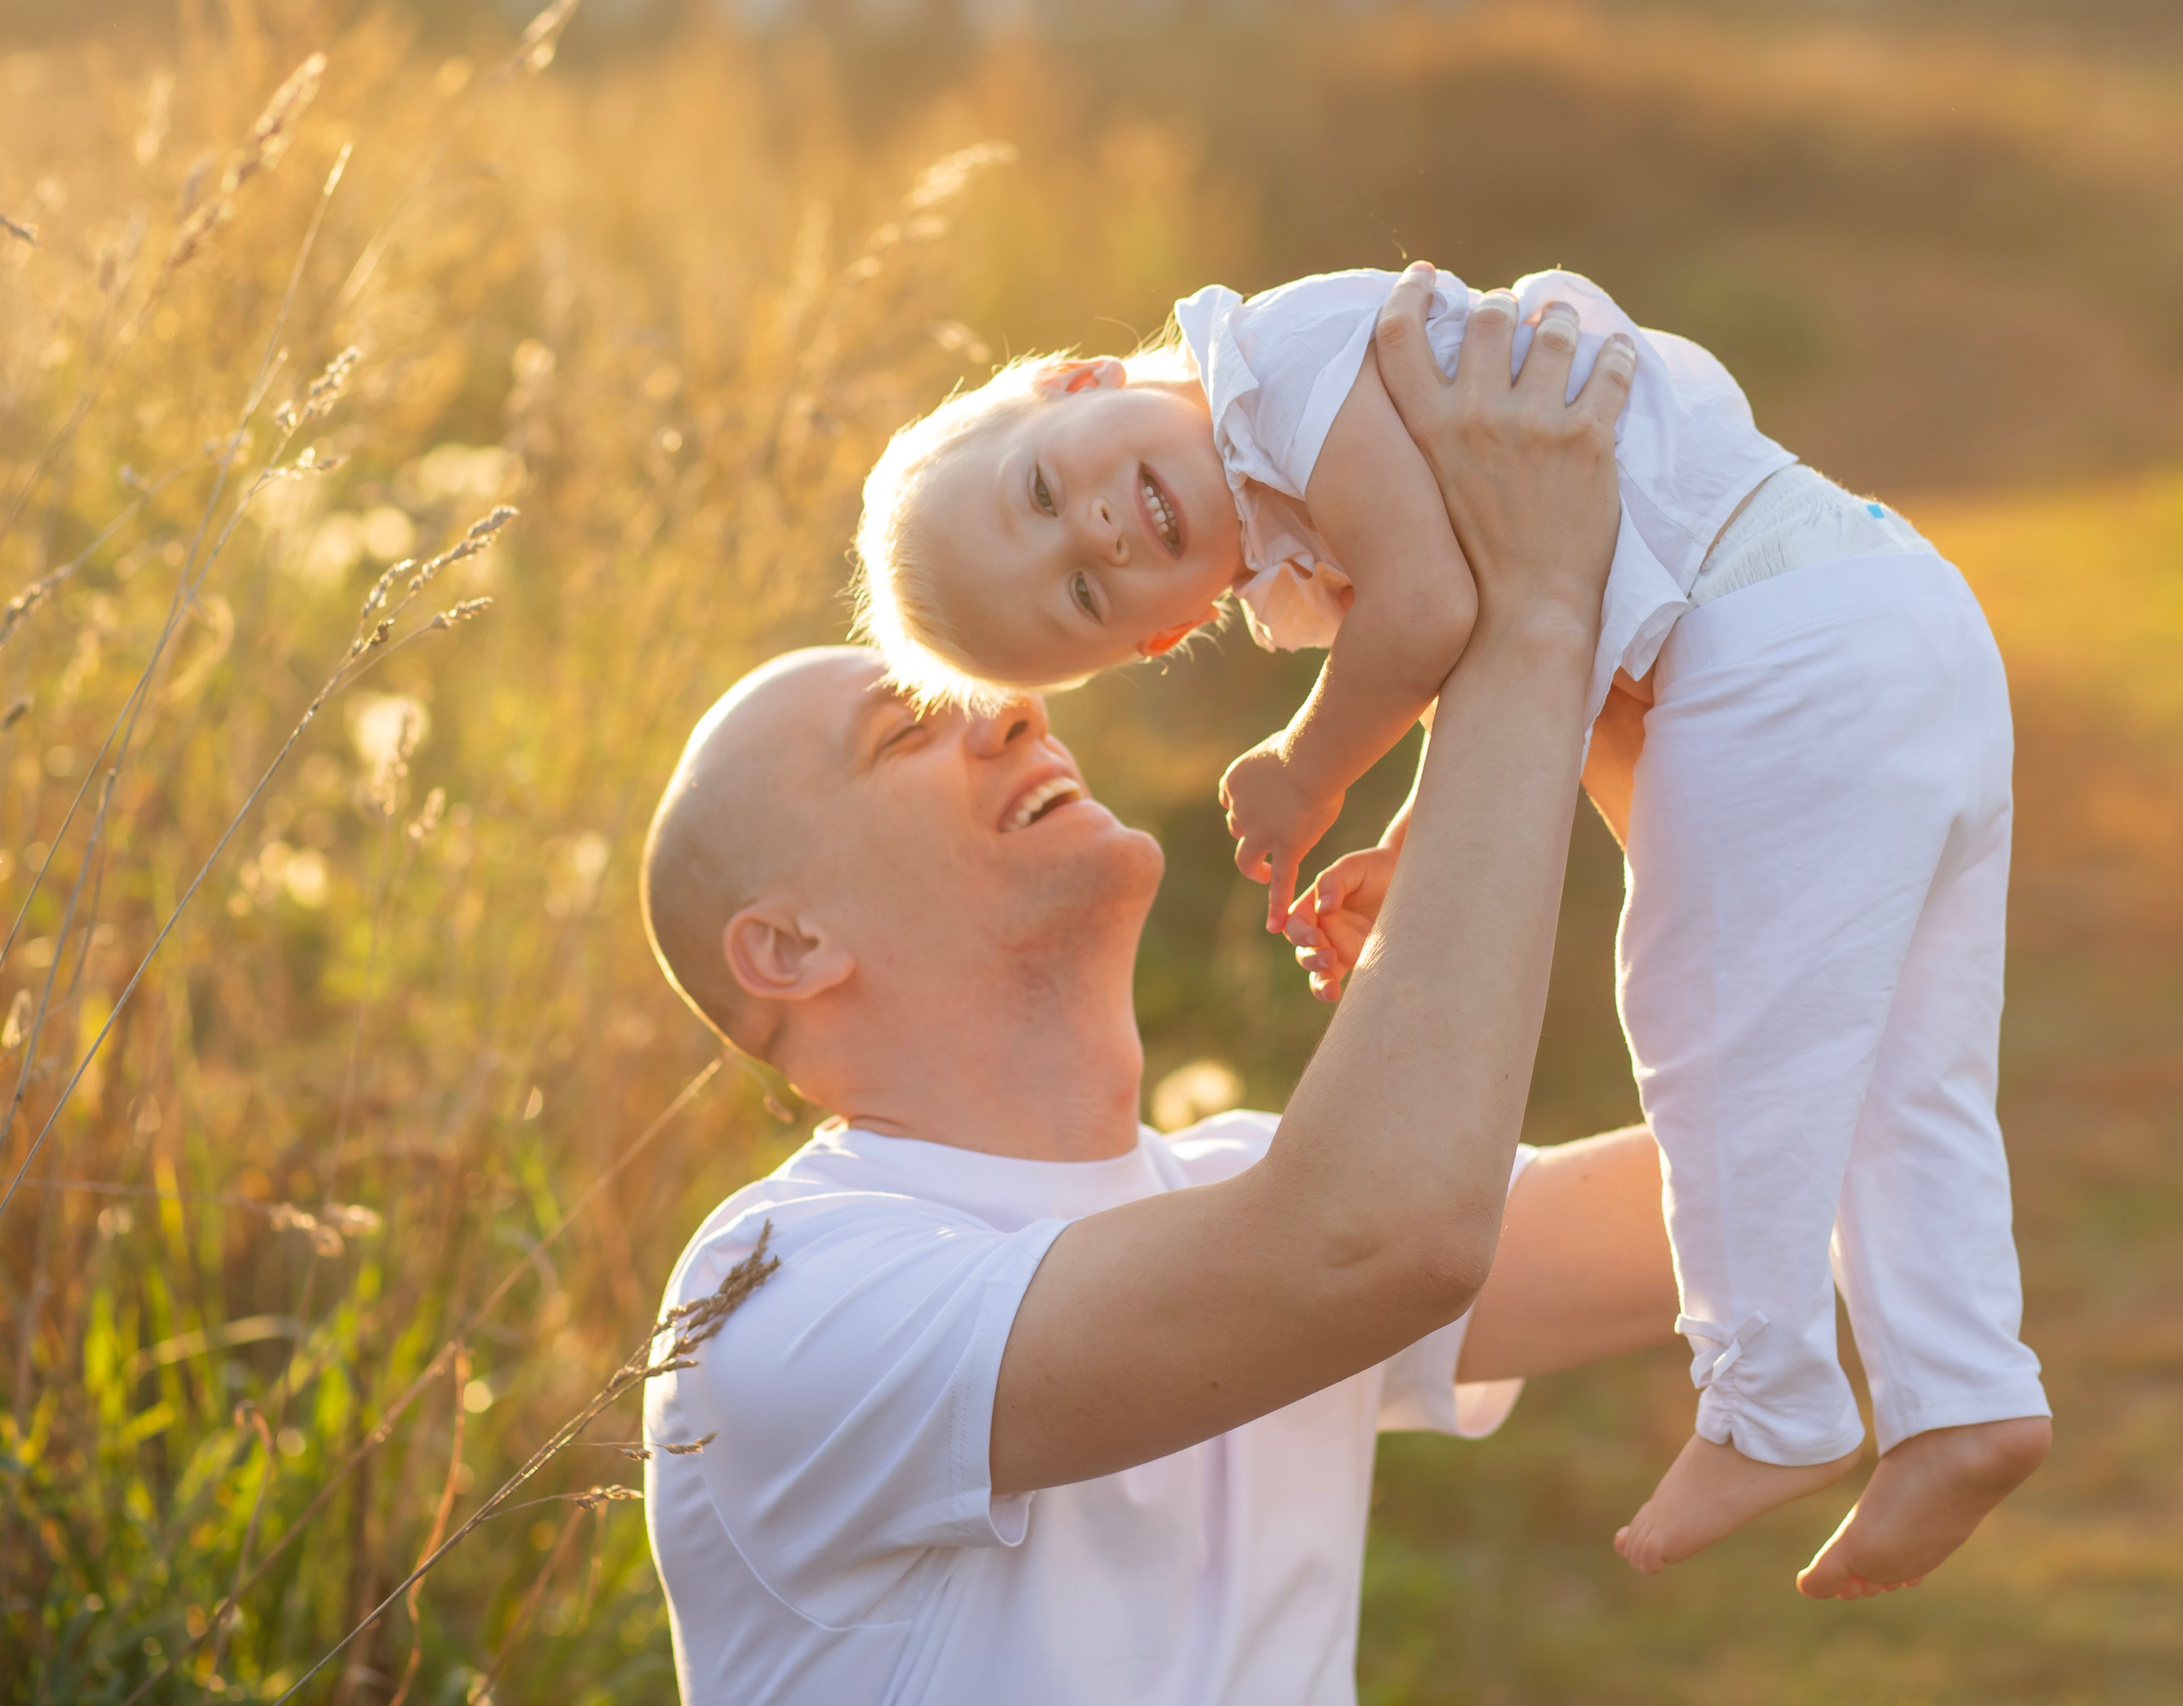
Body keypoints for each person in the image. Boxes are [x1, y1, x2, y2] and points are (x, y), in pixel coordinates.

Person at [847, 262, 2052, 1588]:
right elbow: (1484, 627)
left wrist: (1309, 767)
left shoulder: (1282, 364)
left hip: (1771, 654)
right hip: (1880, 605)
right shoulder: (1291, 468)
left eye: (1036, 487)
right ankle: (1964, 1391)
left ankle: (1772, 1398)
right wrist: (1419, 852)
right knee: (1899, 1069)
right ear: (1159, 639)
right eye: (1082, 591)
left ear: (1067, 382)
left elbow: (1428, 609)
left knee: (1718, 1039)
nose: (1097, 531)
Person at [639, 297, 1677, 1704]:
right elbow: (1375, 1241)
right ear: (790, 945)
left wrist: (1633, 674)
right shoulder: (773, 1295)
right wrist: (1530, 617)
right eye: (904, 729)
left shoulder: (1241, 1189)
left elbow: (1769, 1189)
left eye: (992, 688)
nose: (1010, 710)